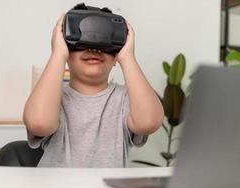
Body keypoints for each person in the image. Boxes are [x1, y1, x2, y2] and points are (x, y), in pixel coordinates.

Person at [23, 12, 164, 167]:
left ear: (116, 56)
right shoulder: (52, 98)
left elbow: (149, 122)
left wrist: (127, 57)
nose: (94, 49)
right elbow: (39, 123)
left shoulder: (125, 98)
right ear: (67, 52)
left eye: (104, 45)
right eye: (83, 42)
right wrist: (58, 54)